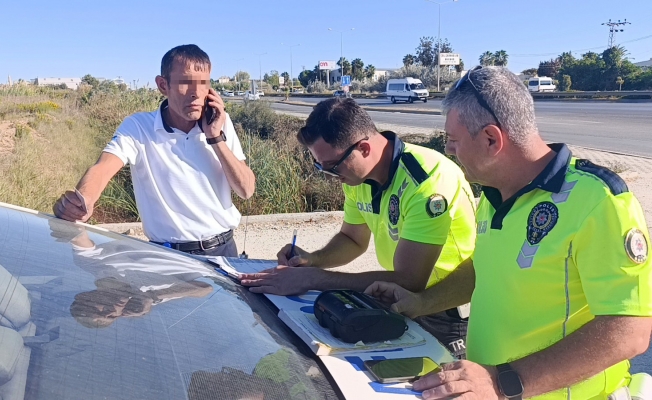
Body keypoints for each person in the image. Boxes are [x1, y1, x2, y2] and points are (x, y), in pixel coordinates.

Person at [365, 66, 652, 400]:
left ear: (491, 139)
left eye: (453, 140)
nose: (449, 151)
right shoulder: (493, 195)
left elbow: (629, 331)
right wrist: (420, 303)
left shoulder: (597, 201)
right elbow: (484, 270)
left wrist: (501, 383)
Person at [240, 97, 477, 358]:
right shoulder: (357, 176)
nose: (330, 175)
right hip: (403, 300)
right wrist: (312, 260)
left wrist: (314, 279)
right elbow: (352, 239)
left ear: (364, 148)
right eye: (319, 166)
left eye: (331, 166)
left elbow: (411, 280)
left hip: (446, 309)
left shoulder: (427, 181)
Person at [53, 44, 255, 257]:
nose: (197, 93)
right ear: (162, 85)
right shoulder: (139, 127)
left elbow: (246, 190)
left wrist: (215, 137)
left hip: (223, 252)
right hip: (167, 258)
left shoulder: (220, 123)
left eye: (203, 83)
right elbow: (103, 167)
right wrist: (82, 201)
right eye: (185, 83)